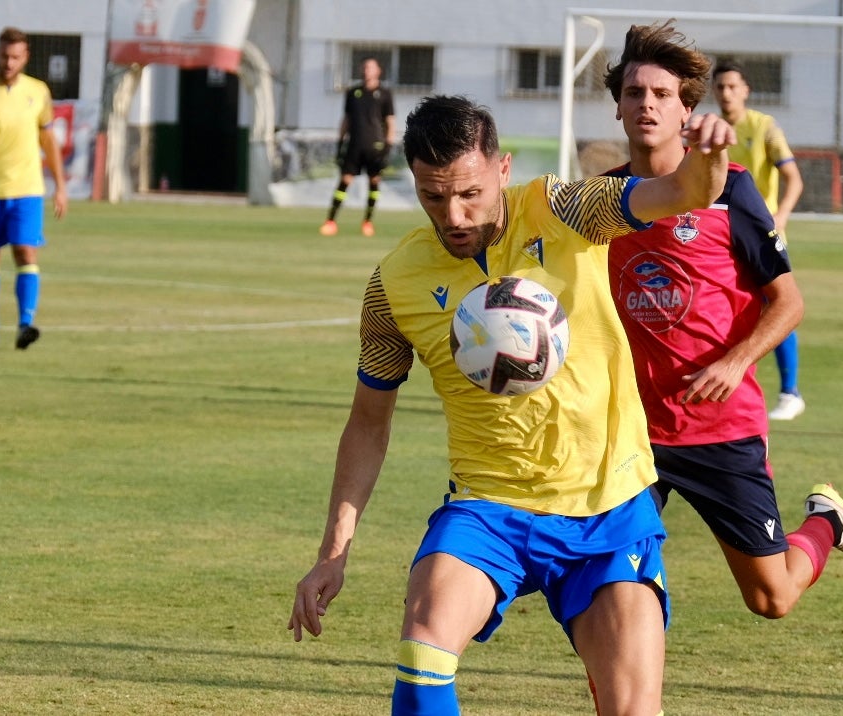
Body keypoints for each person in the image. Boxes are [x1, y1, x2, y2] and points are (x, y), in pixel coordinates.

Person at [289, 93, 735, 715]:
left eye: (469, 192)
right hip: (489, 509)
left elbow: (682, 190)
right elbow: (368, 423)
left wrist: (710, 156)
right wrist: (332, 555)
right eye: (433, 195)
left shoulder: (564, 209)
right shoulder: (393, 285)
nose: (454, 214)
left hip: (607, 509)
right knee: (423, 655)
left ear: (502, 168)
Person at [602, 22, 843, 624]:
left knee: (771, 598)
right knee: (609, 590)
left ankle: (828, 521)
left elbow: (789, 302)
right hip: (631, 432)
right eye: (633, 93)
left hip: (718, 429)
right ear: (618, 108)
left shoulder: (731, 191)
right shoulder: (599, 201)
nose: (645, 104)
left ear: (686, 109)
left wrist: (734, 362)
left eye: (661, 94)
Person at [712, 59, 807, 420]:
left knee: (776, 308)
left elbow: (794, 178)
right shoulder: (711, 130)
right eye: (720, 86)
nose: (726, 93)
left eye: (733, 86)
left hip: (759, 236)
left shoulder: (764, 127)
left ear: (746, 90)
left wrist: (780, 216)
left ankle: (790, 391)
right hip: (719, 237)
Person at [0, 26, 67, 350]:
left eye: (15, 57)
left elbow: (48, 141)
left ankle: (25, 324)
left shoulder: (38, 92)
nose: (8, 63)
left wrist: (60, 186)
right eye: (4, 56)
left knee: (26, 250)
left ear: (25, 58)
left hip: (27, 189)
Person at [319, 57, 396, 238]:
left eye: (370, 67)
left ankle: (367, 221)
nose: (366, 71)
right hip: (354, 144)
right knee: (345, 180)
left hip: (375, 146)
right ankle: (330, 221)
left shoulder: (385, 94)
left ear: (378, 71)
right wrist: (340, 142)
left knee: (374, 182)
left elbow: (390, 122)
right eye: (364, 67)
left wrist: (388, 145)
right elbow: (346, 119)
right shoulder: (353, 93)